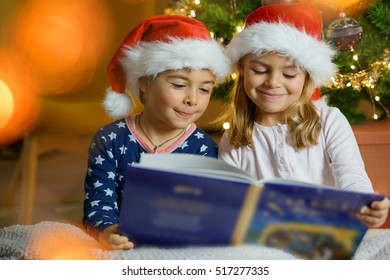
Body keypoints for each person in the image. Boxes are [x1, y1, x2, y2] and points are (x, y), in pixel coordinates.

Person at [217, 3, 389, 228]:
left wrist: (366, 204)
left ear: (306, 78)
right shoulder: (234, 138)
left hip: (330, 233)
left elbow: (351, 175)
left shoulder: (329, 120)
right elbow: (229, 202)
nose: (273, 83)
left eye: (289, 74)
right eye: (259, 70)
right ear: (242, 69)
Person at [83, 14, 230, 250]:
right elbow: (98, 204)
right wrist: (107, 231)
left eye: (204, 89)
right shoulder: (110, 139)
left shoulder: (204, 148)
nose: (192, 99)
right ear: (145, 82)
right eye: (179, 85)